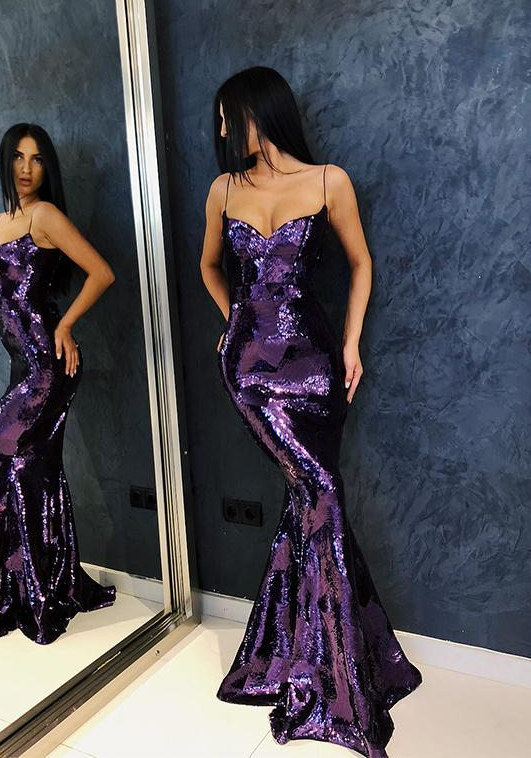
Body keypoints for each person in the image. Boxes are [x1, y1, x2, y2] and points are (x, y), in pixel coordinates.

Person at [200, 67, 422, 758]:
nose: (222, 130)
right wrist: (233, 321)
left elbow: (361, 263)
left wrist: (352, 343)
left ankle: (298, 653)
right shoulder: (223, 189)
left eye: (227, 116)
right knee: (320, 493)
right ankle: (338, 675)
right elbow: (209, 266)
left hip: (316, 365)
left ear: (256, 111)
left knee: (311, 501)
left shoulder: (329, 181)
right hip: (249, 371)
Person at [0, 123, 116, 644]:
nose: (27, 168)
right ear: (5, 161)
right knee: (30, 473)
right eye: (18, 157)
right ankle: (33, 586)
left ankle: (27, 589)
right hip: (23, 365)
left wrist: (65, 325)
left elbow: (102, 272)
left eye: (36, 159)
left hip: (46, 366)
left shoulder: (44, 216)